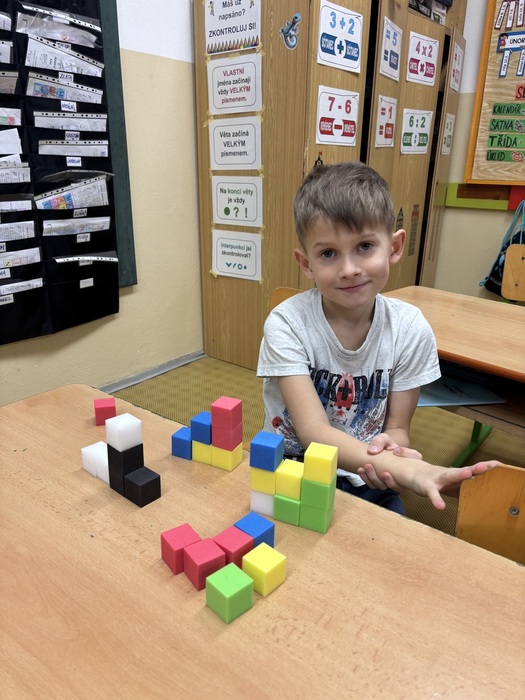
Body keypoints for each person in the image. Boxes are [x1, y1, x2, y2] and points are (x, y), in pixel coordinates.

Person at [257, 161, 500, 514]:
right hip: (292, 465)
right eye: (328, 253)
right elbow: (313, 432)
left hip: (369, 473)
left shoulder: (409, 329)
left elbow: (398, 427)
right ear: (306, 263)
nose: (349, 269)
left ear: (394, 246)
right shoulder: (287, 323)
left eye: (365, 246)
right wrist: (409, 470)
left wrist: (393, 449)